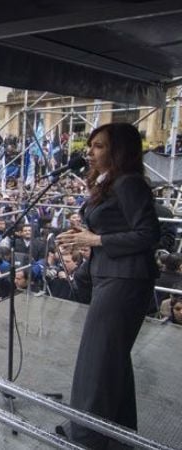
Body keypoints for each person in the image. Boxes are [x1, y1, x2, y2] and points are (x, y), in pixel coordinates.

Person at [56, 123, 161, 448]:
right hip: (111, 277)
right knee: (111, 358)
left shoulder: (130, 184)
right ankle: (118, 431)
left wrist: (95, 238)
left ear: (119, 150)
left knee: (98, 358)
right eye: (91, 145)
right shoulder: (111, 183)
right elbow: (115, 229)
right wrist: (84, 238)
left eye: (99, 146)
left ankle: (88, 436)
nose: (90, 151)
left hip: (125, 282)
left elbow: (148, 235)